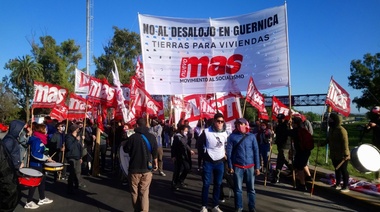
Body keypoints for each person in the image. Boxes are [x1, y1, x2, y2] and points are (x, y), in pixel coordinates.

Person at [124, 117, 158, 212]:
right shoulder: (152, 137)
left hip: (134, 168)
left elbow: (126, 150)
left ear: (137, 125)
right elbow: (155, 152)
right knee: (144, 192)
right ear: (146, 125)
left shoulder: (132, 137)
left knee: (134, 192)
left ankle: (137, 209)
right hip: (147, 169)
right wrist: (155, 163)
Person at [226, 118, 260, 212]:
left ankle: (252, 207)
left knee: (251, 189)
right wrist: (230, 166)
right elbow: (229, 153)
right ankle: (239, 207)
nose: (240, 126)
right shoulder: (232, 137)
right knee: (238, 189)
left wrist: (257, 167)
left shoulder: (252, 136)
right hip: (238, 167)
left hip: (250, 167)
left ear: (246, 124)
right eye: (238, 124)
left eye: (242, 124)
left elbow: (256, 151)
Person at [198, 113, 228, 212]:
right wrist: (204, 156)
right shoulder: (206, 132)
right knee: (206, 184)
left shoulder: (225, 133)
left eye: (222, 121)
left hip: (220, 162)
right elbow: (199, 144)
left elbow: (226, 145)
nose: (220, 123)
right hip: (208, 162)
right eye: (218, 121)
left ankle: (215, 206)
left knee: (218, 184)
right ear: (214, 121)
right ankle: (204, 206)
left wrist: (225, 153)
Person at [25, 123, 54, 209]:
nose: (46, 131)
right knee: (34, 183)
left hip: (39, 164)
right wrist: (46, 158)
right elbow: (35, 153)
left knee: (42, 182)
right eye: (45, 129)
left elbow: (42, 151)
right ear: (41, 130)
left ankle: (42, 198)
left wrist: (48, 157)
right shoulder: (36, 140)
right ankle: (28, 202)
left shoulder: (40, 139)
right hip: (35, 165)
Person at [320, 113, 350, 192]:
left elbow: (345, 142)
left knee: (343, 170)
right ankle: (337, 184)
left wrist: (346, 153)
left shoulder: (341, 130)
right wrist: (322, 144)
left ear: (335, 120)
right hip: (334, 153)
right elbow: (328, 139)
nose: (329, 121)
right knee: (337, 169)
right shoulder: (331, 129)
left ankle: (346, 186)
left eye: (331, 119)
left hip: (342, 154)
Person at [1, 120, 27, 211]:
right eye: (21, 129)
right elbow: (5, 157)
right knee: (10, 198)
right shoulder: (9, 140)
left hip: (12, 171)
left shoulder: (13, 139)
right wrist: (17, 164)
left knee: (15, 196)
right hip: (8, 172)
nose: (22, 131)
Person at [288, 117, 311, 191]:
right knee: (302, 165)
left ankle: (302, 185)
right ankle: (308, 177)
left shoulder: (296, 130)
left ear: (295, 123)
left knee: (299, 167)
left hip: (301, 151)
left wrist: (288, 125)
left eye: (293, 123)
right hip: (306, 150)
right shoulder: (303, 129)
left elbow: (287, 132)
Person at [171, 125, 194, 190]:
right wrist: (173, 156)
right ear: (181, 131)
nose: (186, 132)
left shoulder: (184, 136)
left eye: (187, 131)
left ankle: (180, 180)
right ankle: (174, 183)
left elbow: (186, 145)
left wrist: (190, 150)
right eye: (185, 131)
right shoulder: (177, 137)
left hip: (184, 155)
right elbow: (173, 147)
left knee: (187, 168)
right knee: (177, 170)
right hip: (178, 155)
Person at [65, 124, 86, 194]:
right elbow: (69, 147)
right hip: (71, 157)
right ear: (74, 130)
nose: (78, 130)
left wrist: (81, 157)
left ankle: (77, 185)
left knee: (78, 171)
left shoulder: (78, 137)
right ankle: (70, 187)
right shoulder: (68, 137)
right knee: (72, 173)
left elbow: (80, 148)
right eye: (77, 129)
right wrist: (76, 141)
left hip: (77, 157)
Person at [272, 114, 292, 184]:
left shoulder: (286, 126)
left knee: (281, 160)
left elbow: (288, 135)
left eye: (280, 119)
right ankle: (293, 169)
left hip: (285, 146)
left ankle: (276, 177)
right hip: (280, 145)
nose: (278, 120)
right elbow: (278, 136)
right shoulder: (279, 126)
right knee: (283, 160)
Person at [367, 106, 380, 183]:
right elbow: (367, 131)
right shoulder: (374, 120)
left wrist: (376, 126)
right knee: (376, 159)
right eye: (374, 113)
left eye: (377, 113)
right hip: (375, 142)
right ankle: (377, 177)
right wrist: (367, 127)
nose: (375, 114)